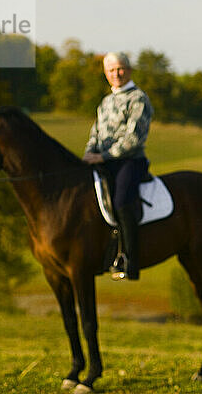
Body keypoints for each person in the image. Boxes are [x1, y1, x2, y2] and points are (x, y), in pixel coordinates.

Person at [82, 52, 154, 280]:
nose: (116, 74)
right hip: (103, 160)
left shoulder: (138, 98)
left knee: (122, 201)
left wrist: (102, 156)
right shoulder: (106, 102)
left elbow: (134, 138)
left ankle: (130, 260)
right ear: (106, 73)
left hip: (130, 161)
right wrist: (88, 153)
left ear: (129, 70)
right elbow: (96, 132)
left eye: (120, 69)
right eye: (111, 70)